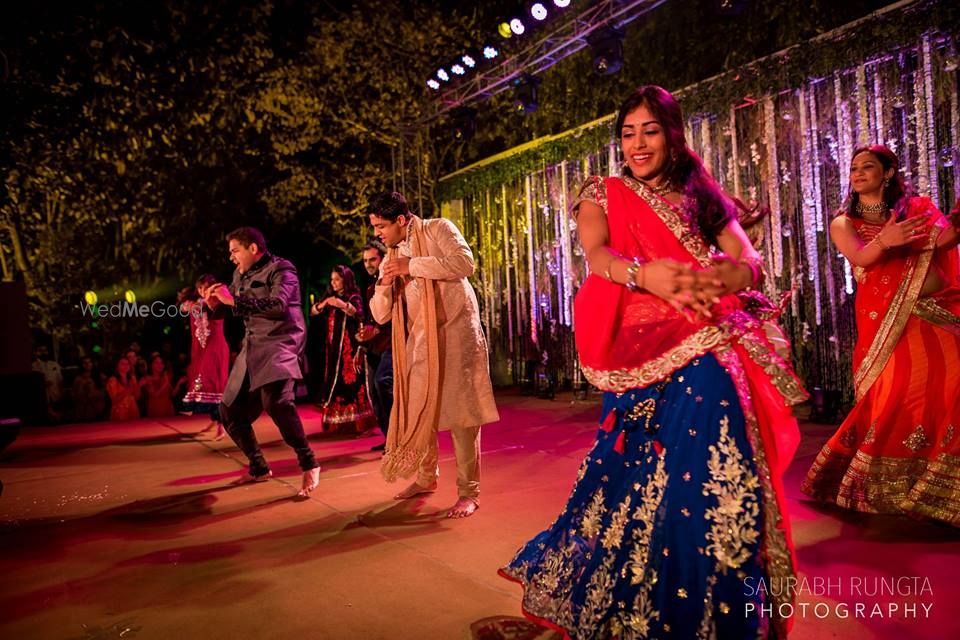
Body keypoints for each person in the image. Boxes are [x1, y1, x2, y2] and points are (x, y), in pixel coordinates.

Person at [499, 85, 807, 638]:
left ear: (672, 134)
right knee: (635, 472)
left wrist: (726, 276)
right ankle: (650, 602)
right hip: (638, 349)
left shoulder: (698, 192)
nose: (638, 144)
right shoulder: (605, 191)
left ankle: (716, 610)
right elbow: (598, 257)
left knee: (715, 473)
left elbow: (748, 259)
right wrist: (646, 275)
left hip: (708, 339)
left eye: (650, 130)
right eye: (628, 132)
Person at [802, 145, 960, 526]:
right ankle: (882, 483)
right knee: (895, 396)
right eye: (853, 168)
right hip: (888, 327)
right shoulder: (845, 223)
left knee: (951, 386)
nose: (857, 173)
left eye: (867, 167)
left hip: (934, 316)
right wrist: (888, 239)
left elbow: (943, 242)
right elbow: (861, 258)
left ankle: (938, 484)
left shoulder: (916, 209)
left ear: (887, 173)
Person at [368, 191, 499, 519]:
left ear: (401, 220)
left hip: (457, 337)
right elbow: (380, 316)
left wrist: (412, 265)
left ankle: (470, 493)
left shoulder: (438, 229)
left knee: (462, 417)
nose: (377, 234)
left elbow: (464, 263)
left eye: (381, 226)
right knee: (419, 410)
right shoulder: (391, 256)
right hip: (422, 341)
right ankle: (426, 478)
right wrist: (384, 283)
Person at [205, 226, 321, 498]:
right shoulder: (239, 274)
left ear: (253, 249)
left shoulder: (283, 270)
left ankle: (309, 462)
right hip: (253, 345)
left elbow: (279, 306)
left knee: (277, 402)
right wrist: (215, 305)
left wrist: (232, 299)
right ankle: (258, 467)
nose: (231, 258)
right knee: (229, 411)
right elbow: (233, 305)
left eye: (235, 251)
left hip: (281, 342)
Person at [308, 265, 377, 434]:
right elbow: (313, 311)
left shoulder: (353, 296)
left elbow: (358, 313)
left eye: (337, 279)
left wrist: (340, 304)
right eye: (332, 280)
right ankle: (338, 424)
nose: (334, 283)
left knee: (352, 383)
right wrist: (325, 302)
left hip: (349, 350)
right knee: (334, 383)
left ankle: (359, 424)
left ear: (345, 280)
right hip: (333, 352)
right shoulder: (329, 297)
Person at [181, 275, 230, 440]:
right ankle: (214, 420)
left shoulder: (218, 299)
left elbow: (208, 306)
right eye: (200, 288)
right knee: (203, 382)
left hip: (215, 349)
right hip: (203, 349)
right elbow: (185, 308)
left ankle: (221, 426)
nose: (203, 291)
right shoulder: (199, 302)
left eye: (205, 287)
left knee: (214, 384)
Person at [356, 241, 393, 451]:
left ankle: (399, 438)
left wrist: (375, 331)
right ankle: (390, 438)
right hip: (375, 347)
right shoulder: (371, 287)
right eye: (365, 261)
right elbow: (371, 320)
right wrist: (362, 344)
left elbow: (394, 315)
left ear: (383, 258)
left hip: (392, 343)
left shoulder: (393, 281)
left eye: (373, 259)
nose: (368, 264)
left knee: (383, 382)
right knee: (374, 395)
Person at [106, 356, 140, 421]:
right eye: (122, 364)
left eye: (127, 364)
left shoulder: (132, 378)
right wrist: (128, 389)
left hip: (132, 408)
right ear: (117, 366)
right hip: (120, 410)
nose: (126, 366)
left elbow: (137, 396)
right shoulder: (113, 380)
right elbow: (115, 399)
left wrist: (138, 385)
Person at [71, 356, 105, 422]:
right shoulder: (78, 379)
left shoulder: (100, 376)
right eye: (85, 363)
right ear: (81, 365)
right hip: (83, 411)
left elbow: (103, 393)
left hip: (97, 409)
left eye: (89, 362)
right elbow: (74, 395)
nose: (87, 364)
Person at [142, 354, 176, 418]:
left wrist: (178, 383)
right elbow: (155, 395)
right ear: (151, 365)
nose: (159, 365)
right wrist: (166, 383)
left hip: (168, 407)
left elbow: (172, 393)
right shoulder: (147, 378)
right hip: (156, 408)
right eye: (156, 363)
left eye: (161, 363)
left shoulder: (166, 377)